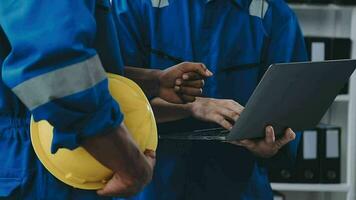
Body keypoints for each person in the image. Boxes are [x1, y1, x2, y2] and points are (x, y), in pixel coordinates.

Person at [0, 0, 211, 199]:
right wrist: (130, 165)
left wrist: (153, 82)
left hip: (53, 157)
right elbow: (53, 65)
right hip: (44, 163)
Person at [113, 0, 307, 199]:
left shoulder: (273, 14)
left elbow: (288, 112)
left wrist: (269, 147)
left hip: (239, 184)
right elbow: (113, 101)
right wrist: (195, 107)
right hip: (153, 182)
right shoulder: (135, 5)